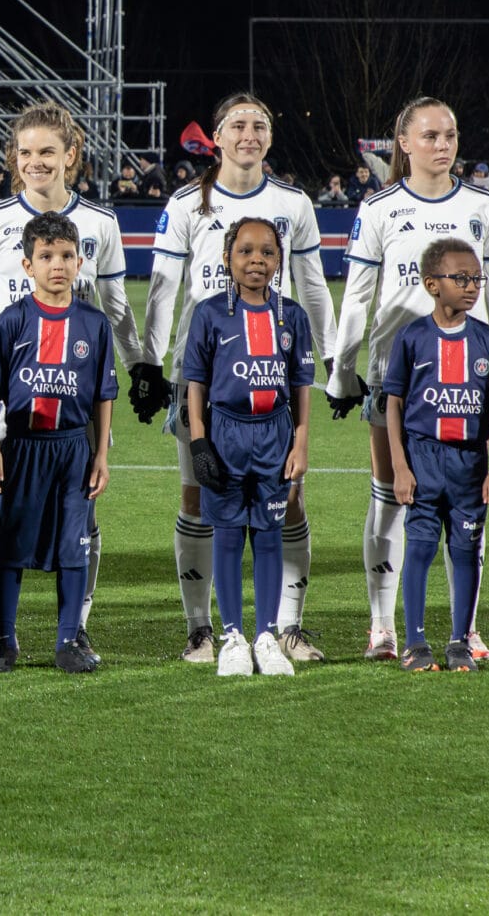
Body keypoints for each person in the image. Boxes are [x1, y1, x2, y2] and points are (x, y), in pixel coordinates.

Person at [0, 102, 153, 661]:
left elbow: (115, 309)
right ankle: (4, 632)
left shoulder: (101, 224)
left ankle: (75, 628)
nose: (36, 162)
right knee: (3, 517)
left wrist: (140, 367)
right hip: (11, 405)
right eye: (25, 153)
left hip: (76, 403)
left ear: (71, 155)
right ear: (14, 160)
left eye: (46, 151)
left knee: (81, 515)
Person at [141, 93, 337, 664]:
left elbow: (315, 285)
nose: (249, 134)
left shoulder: (293, 203)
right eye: (238, 125)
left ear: (269, 139)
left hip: (273, 382)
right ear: (219, 138)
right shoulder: (185, 203)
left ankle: (286, 628)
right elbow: (162, 288)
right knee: (200, 498)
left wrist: (333, 362)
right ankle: (202, 629)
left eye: (259, 126)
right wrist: (151, 366)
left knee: (289, 503)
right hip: (204, 383)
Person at [326, 95, 489, 663]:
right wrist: (342, 369)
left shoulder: (484, 206)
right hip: (398, 379)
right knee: (391, 499)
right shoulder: (379, 208)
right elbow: (357, 297)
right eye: (430, 136)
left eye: (450, 135)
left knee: (467, 507)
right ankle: (383, 627)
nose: (442, 145)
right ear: (403, 144)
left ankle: (467, 627)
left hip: (468, 380)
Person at [0, 212, 115, 673]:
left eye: (66, 256)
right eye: (46, 256)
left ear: (79, 263)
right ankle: (4, 639)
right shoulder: (11, 321)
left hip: (73, 449)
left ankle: (68, 640)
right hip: (22, 448)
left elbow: (102, 396)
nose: (57, 264)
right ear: (27, 265)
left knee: (75, 545)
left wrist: (101, 456)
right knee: (12, 543)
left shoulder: (94, 325)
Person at [182, 217, 314, 678]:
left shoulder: (292, 315)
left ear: (279, 260)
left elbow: (301, 386)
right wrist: (199, 440)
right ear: (227, 258)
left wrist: (300, 444)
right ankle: (232, 635)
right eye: (246, 251)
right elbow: (195, 382)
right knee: (228, 533)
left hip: (274, 434)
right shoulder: (210, 313)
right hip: (226, 433)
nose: (256, 260)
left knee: (269, 534)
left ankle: (267, 635)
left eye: (267, 252)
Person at [382, 239, 489, 673]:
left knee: (466, 549)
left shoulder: (488, 341)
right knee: (419, 548)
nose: (472, 286)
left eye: (476, 278)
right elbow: (394, 403)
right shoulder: (413, 337)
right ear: (431, 284)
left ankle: (460, 641)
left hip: (470, 462)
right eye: (461, 278)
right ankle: (415, 642)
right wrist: (400, 466)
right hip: (422, 458)